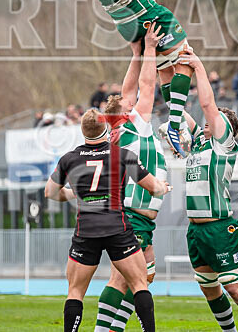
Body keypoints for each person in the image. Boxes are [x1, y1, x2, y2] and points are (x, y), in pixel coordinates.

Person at [72, 0, 193, 157]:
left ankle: (178, 126)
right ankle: (174, 124)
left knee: (164, 69)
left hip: (126, 26)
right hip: (148, 14)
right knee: (186, 59)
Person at [44, 108, 171, 332]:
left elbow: (51, 193)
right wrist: (164, 188)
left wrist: (75, 193)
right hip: (117, 229)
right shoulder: (123, 155)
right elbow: (153, 188)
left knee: (75, 292)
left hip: (86, 232)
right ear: (106, 129)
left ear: (82, 131)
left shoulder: (69, 159)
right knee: (140, 284)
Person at [182, 47, 238, 332]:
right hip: (195, 230)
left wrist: (197, 66)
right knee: (210, 289)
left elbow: (207, 104)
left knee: (233, 286)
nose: (209, 118)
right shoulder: (199, 142)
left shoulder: (223, 144)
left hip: (219, 228)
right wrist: (166, 65)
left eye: (217, 118)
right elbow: (178, 106)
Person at [94, 24, 167, 332]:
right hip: (132, 214)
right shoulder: (132, 125)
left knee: (146, 273)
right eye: (129, 103)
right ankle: (104, 329)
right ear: (124, 112)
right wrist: (148, 49)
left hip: (137, 216)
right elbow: (145, 87)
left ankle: (114, 328)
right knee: (122, 277)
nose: (133, 100)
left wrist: (136, 53)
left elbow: (128, 90)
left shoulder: (115, 129)